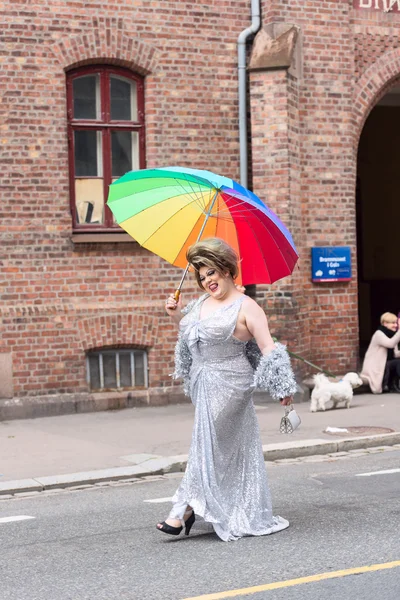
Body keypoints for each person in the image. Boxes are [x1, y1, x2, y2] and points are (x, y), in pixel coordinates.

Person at [156, 237, 297, 542]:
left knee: (207, 443)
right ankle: (195, 507)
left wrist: (282, 386)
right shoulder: (202, 303)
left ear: (227, 270)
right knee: (216, 447)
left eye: (212, 273)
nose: (207, 281)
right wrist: (176, 314)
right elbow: (192, 333)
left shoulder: (248, 307)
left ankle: (181, 511)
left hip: (233, 385)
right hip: (204, 382)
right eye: (202, 275)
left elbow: (268, 348)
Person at [361, 312, 400, 394]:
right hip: (376, 367)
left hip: (385, 365)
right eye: (393, 323)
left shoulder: (393, 335)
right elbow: (390, 344)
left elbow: (395, 354)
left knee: (396, 362)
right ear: (385, 323)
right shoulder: (379, 334)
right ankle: (391, 385)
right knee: (397, 363)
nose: (396, 325)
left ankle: (393, 385)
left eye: (396, 323)